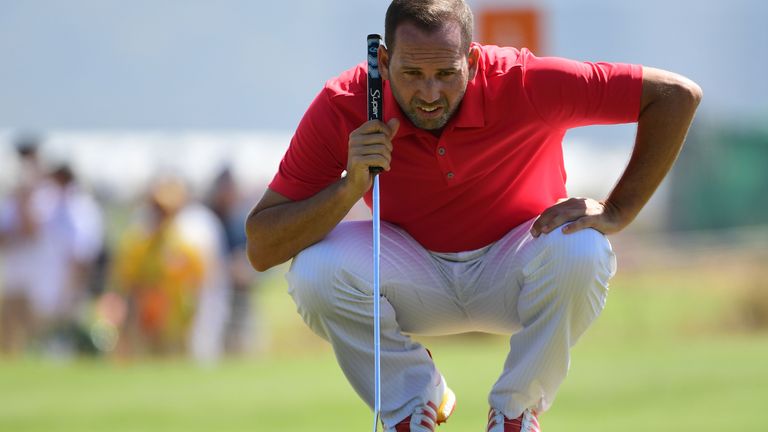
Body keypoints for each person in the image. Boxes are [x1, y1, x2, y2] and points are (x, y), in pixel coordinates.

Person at [245, 1, 702, 430]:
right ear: (383, 62)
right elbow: (262, 247)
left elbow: (676, 96)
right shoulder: (344, 103)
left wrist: (619, 208)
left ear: (475, 60)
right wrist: (348, 188)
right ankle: (411, 403)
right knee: (314, 271)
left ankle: (514, 411)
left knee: (582, 247)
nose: (429, 92)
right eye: (411, 73)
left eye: (446, 73)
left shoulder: (527, 81)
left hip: (517, 266)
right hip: (412, 274)